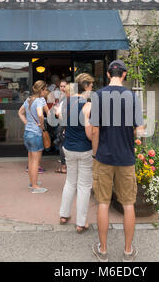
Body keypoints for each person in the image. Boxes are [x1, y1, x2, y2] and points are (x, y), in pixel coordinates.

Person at [90, 60, 144, 262]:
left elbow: (94, 130)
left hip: (104, 156)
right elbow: (139, 130)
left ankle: (103, 251)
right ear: (124, 75)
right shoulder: (132, 97)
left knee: (103, 203)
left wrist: (96, 153)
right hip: (126, 157)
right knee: (129, 204)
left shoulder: (98, 96)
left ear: (107, 74)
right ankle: (128, 252)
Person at [58, 73, 95, 233]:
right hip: (84, 149)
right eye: (91, 86)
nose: (92, 89)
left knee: (70, 182)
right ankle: (81, 223)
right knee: (84, 186)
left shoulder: (66, 102)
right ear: (86, 86)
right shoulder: (88, 106)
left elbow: (59, 117)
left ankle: (64, 215)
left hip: (68, 148)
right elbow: (89, 134)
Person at [18, 80, 49, 194]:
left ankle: (32, 182)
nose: (46, 91)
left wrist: (27, 123)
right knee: (36, 161)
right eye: (45, 89)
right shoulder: (40, 101)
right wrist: (41, 125)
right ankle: (35, 186)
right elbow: (40, 114)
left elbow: (20, 112)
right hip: (35, 134)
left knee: (31, 160)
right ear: (41, 90)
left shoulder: (28, 100)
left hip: (27, 133)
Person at [54, 82, 70, 174]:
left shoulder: (66, 99)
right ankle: (65, 165)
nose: (63, 88)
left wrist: (57, 109)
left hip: (64, 124)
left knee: (61, 145)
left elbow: (58, 114)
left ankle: (64, 167)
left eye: (64, 86)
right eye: (61, 86)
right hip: (63, 123)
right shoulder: (59, 97)